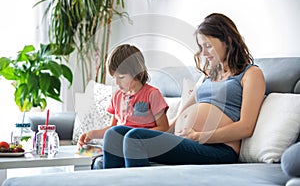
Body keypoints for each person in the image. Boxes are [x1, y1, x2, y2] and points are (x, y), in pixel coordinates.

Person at [101, 13, 266, 168]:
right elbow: (182, 115)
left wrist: (201, 136)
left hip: (218, 148)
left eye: (208, 46)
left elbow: (246, 127)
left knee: (135, 138)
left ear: (228, 40)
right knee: (114, 134)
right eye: (201, 47)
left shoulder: (251, 74)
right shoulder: (209, 76)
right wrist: (162, 133)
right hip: (187, 140)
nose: (204, 53)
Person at [77, 44, 170, 166]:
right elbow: (113, 129)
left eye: (121, 77)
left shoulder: (152, 94)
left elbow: (164, 128)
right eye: (114, 77)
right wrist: (92, 134)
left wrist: (133, 136)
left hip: (141, 146)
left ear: (137, 72)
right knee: (95, 154)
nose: (116, 82)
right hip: (119, 145)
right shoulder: (117, 96)